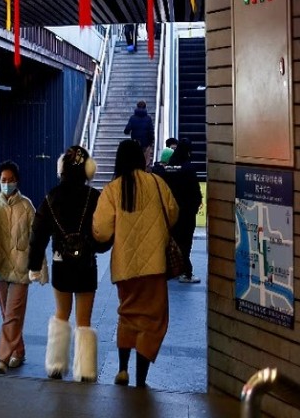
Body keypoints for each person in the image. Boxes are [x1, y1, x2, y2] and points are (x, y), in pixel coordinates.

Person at [92, 139, 179, 389]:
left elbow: (101, 231)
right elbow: (173, 213)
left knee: (128, 315)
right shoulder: (156, 183)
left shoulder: (112, 190)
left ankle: (122, 370)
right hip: (154, 267)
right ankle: (141, 378)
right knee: (152, 321)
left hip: (125, 268)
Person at [27, 145, 101, 382]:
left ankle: (56, 366)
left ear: (62, 169)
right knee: (84, 320)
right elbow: (103, 234)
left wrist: (34, 265)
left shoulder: (51, 198)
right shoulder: (94, 197)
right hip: (86, 265)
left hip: (61, 264)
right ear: (88, 170)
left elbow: (37, 234)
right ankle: (85, 371)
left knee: (61, 313)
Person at [0, 160, 46, 374]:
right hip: (0, 267)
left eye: (10, 180)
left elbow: (37, 239)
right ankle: (18, 351)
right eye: (3, 180)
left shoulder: (27, 206)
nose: (7, 183)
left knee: (11, 314)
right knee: (8, 315)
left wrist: (39, 269)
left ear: (17, 181)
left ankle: (2, 358)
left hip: (21, 268)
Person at [152, 139, 202, 284]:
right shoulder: (188, 168)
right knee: (185, 243)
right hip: (186, 213)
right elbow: (195, 191)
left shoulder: (168, 168)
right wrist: (195, 205)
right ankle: (186, 273)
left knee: (172, 241)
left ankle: (169, 270)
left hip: (170, 212)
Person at [123, 100, 155, 169]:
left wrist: (128, 131)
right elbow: (151, 131)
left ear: (137, 107)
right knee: (145, 161)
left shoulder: (132, 118)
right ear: (145, 107)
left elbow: (126, 130)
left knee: (135, 159)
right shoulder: (148, 118)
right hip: (146, 143)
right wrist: (151, 141)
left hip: (135, 142)